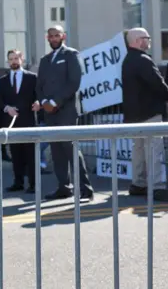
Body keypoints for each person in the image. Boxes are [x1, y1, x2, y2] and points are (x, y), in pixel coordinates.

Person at [36, 25, 94, 202]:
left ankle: (85, 188)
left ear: (63, 36)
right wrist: (44, 102)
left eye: (57, 35)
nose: (54, 38)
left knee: (70, 148)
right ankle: (64, 187)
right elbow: (39, 86)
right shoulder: (45, 60)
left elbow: (74, 82)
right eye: (51, 36)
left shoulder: (71, 54)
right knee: (56, 150)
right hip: (49, 112)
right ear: (47, 38)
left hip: (66, 110)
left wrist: (55, 102)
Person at [122, 28, 168, 202]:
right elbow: (157, 83)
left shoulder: (128, 60)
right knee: (154, 150)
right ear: (138, 40)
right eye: (147, 38)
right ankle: (157, 186)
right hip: (150, 112)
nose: (149, 41)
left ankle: (138, 183)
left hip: (133, 115)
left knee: (138, 150)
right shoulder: (144, 60)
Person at [0, 50, 39, 193]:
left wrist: (38, 102)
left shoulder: (32, 78)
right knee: (15, 154)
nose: (14, 61)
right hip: (11, 122)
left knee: (30, 154)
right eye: (11, 59)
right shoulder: (3, 80)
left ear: (22, 59)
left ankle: (33, 184)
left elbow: (39, 94)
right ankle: (18, 182)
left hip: (28, 120)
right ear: (8, 61)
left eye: (16, 58)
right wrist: (7, 108)